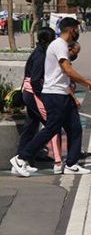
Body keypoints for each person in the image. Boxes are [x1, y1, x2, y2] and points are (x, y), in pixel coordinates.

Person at [12, 18, 91, 177]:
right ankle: (21, 158)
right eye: (77, 29)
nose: (78, 33)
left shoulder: (61, 46)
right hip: (54, 94)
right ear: (71, 30)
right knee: (52, 128)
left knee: (75, 128)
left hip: (62, 93)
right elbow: (67, 69)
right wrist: (87, 83)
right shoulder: (59, 45)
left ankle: (71, 164)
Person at [14, 27, 57, 172]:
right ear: (46, 41)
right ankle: (24, 157)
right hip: (33, 94)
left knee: (31, 126)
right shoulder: (41, 55)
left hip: (29, 93)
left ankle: (24, 158)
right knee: (52, 125)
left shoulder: (39, 52)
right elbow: (35, 80)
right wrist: (42, 96)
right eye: (52, 40)